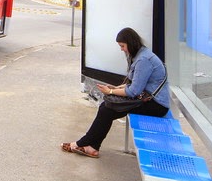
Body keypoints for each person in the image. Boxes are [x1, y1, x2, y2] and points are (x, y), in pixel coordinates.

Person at [61, 27, 170, 158]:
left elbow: (133, 90)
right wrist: (115, 88)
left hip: (156, 105)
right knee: (106, 108)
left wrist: (111, 91)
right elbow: (132, 83)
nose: (122, 49)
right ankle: (91, 146)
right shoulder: (141, 54)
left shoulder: (143, 60)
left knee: (107, 109)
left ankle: (85, 144)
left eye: (123, 46)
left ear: (131, 43)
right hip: (147, 99)